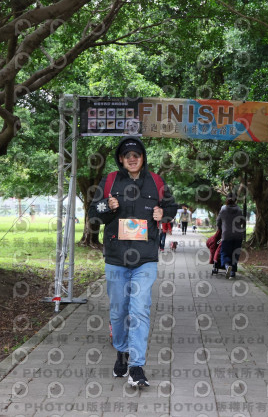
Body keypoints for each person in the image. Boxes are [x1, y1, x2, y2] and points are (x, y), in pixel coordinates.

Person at [88, 136, 177, 387]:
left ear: (142, 157)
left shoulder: (156, 181)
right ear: (121, 159)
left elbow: (172, 208)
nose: (132, 159)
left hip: (145, 258)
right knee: (118, 311)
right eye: (127, 156)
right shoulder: (109, 181)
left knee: (139, 309)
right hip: (116, 258)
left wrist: (163, 213)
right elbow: (94, 213)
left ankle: (136, 366)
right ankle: (121, 351)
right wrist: (107, 205)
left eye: (136, 155)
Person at [216, 193, 245, 279]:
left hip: (226, 234)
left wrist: (220, 228)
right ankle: (232, 272)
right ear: (236, 200)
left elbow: (218, 221)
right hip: (238, 235)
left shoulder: (223, 209)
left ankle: (227, 265)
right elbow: (242, 221)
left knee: (224, 252)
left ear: (226, 199)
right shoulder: (239, 210)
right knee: (235, 254)